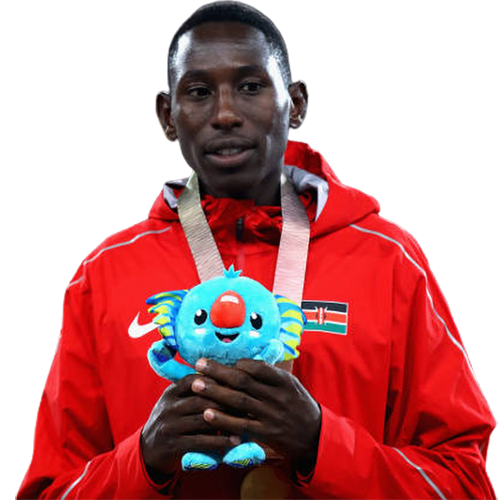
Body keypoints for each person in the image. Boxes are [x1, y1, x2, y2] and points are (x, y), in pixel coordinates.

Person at [17, 3, 495, 500]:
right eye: (198, 92)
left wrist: (319, 443)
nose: (225, 114)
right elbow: (50, 490)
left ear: (296, 103)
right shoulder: (105, 275)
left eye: (250, 87)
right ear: (168, 116)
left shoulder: (388, 260)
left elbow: (467, 483)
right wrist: (144, 460)